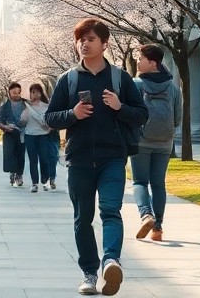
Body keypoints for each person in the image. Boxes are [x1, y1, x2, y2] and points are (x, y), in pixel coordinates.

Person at [45, 18, 148, 296]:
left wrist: (119, 106)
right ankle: (89, 273)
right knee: (83, 217)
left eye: (90, 39)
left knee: (110, 211)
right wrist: (72, 114)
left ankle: (111, 260)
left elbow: (141, 114)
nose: (84, 44)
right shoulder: (68, 79)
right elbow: (50, 118)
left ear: (105, 44)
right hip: (78, 160)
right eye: (80, 39)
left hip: (113, 158)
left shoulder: (120, 78)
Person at [132, 44, 181, 242]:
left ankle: (146, 215)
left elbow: (132, 114)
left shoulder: (136, 84)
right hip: (165, 142)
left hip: (141, 141)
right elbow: (177, 119)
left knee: (139, 182)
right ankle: (158, 229)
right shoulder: (172, 87)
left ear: (152, 63)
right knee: (159, 184)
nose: (137, 61)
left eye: (141, 58)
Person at [19, 83, 57, 192]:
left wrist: (48, 129)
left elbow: (51, 121)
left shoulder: (46, 106)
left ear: (40, 93)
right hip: (30, 136)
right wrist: (24, 115)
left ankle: (45, 181)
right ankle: (34, 183)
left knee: (44, 159)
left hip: (42, 136)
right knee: (33, 160)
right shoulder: (26, 107)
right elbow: (22, 121)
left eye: (35, 92)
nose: (33, 94)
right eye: (31, 92)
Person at [0, 83, 28, 187]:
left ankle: (19, 175)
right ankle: (12, 172)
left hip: (23, 133)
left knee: (20, 155)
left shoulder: (26, 104)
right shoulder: (4, 106)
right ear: (9, 92)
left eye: (18, 92)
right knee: (10, 154)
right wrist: (4, 127)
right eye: (14, 93)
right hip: (9, 133)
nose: (16, 95)